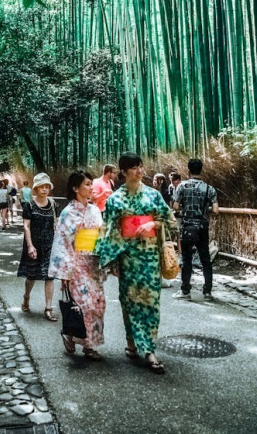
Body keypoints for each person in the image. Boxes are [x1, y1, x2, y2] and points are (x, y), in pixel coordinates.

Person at [97, 153, 175, 374]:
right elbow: (108, 230)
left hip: (149, 257)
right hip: (127, 258)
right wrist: (111, 260)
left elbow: (169, 220)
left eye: (141, 166)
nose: (140, 171)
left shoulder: (153, 195)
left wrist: (152, 224)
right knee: (129, 302)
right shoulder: (115, 200)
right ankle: (131, 341)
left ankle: (149, 350)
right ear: (123, 172)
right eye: (134, 167)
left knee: (151, 303)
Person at [49, 170, 106, 360]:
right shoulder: (68, 212)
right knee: (83, 305)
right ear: (76, 188)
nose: (91, 187)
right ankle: (72, 336)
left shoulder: (95, 210)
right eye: (87, 184)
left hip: (93, 263)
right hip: (76, 265)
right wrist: (64, 273)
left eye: (91, 184)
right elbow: (62, 243)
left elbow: (101, 237)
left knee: (98, 304)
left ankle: (90, 345)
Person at [172, 158, 219, 301]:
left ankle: (185, 291)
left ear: (188, 170)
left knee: (186, 259)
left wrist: (184, 209)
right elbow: (216, 210)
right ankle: (207, 292)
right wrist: (205, 209)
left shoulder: (182, 186)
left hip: (187, 227)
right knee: (205, 259)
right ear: (201, 170)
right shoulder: (209, 188)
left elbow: (175, 206)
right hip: (202, 227)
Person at [18, 172, 58, 321]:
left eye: (47, 186)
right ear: (35, 189)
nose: (45, 189)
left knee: (50, 277)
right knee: (31, 276)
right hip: (34, 244)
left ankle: (48, 308)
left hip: (49, 245)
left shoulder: (53, 204)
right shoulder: (29, 206)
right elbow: (26, 227)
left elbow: (57, 224)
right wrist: (30, 246)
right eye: (41, 187)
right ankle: (26, 297)